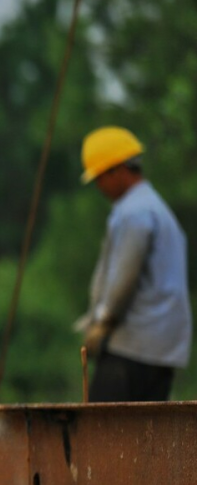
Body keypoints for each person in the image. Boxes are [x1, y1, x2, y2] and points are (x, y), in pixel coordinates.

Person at [75, 126, 191, 401]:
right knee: (147, 437)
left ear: (116, 171)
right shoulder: (157, 209)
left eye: (100, 178)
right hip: (164, 347)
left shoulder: (133, 213)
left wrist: (103, 320)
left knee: (103, 434)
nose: (100, 187)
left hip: (133, 346)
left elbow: (123, 277)